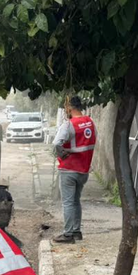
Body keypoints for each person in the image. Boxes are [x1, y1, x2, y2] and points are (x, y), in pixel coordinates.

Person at [52, 96, 96, 244]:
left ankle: (68, 234)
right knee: (76, 201)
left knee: (68, 203)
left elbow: (57, 143)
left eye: (66, 108)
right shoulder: (90, 123)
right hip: (84, 170)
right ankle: (77, 231)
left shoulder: (68, 125)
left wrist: (62, 154)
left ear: (70, 108)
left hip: (69, 169)